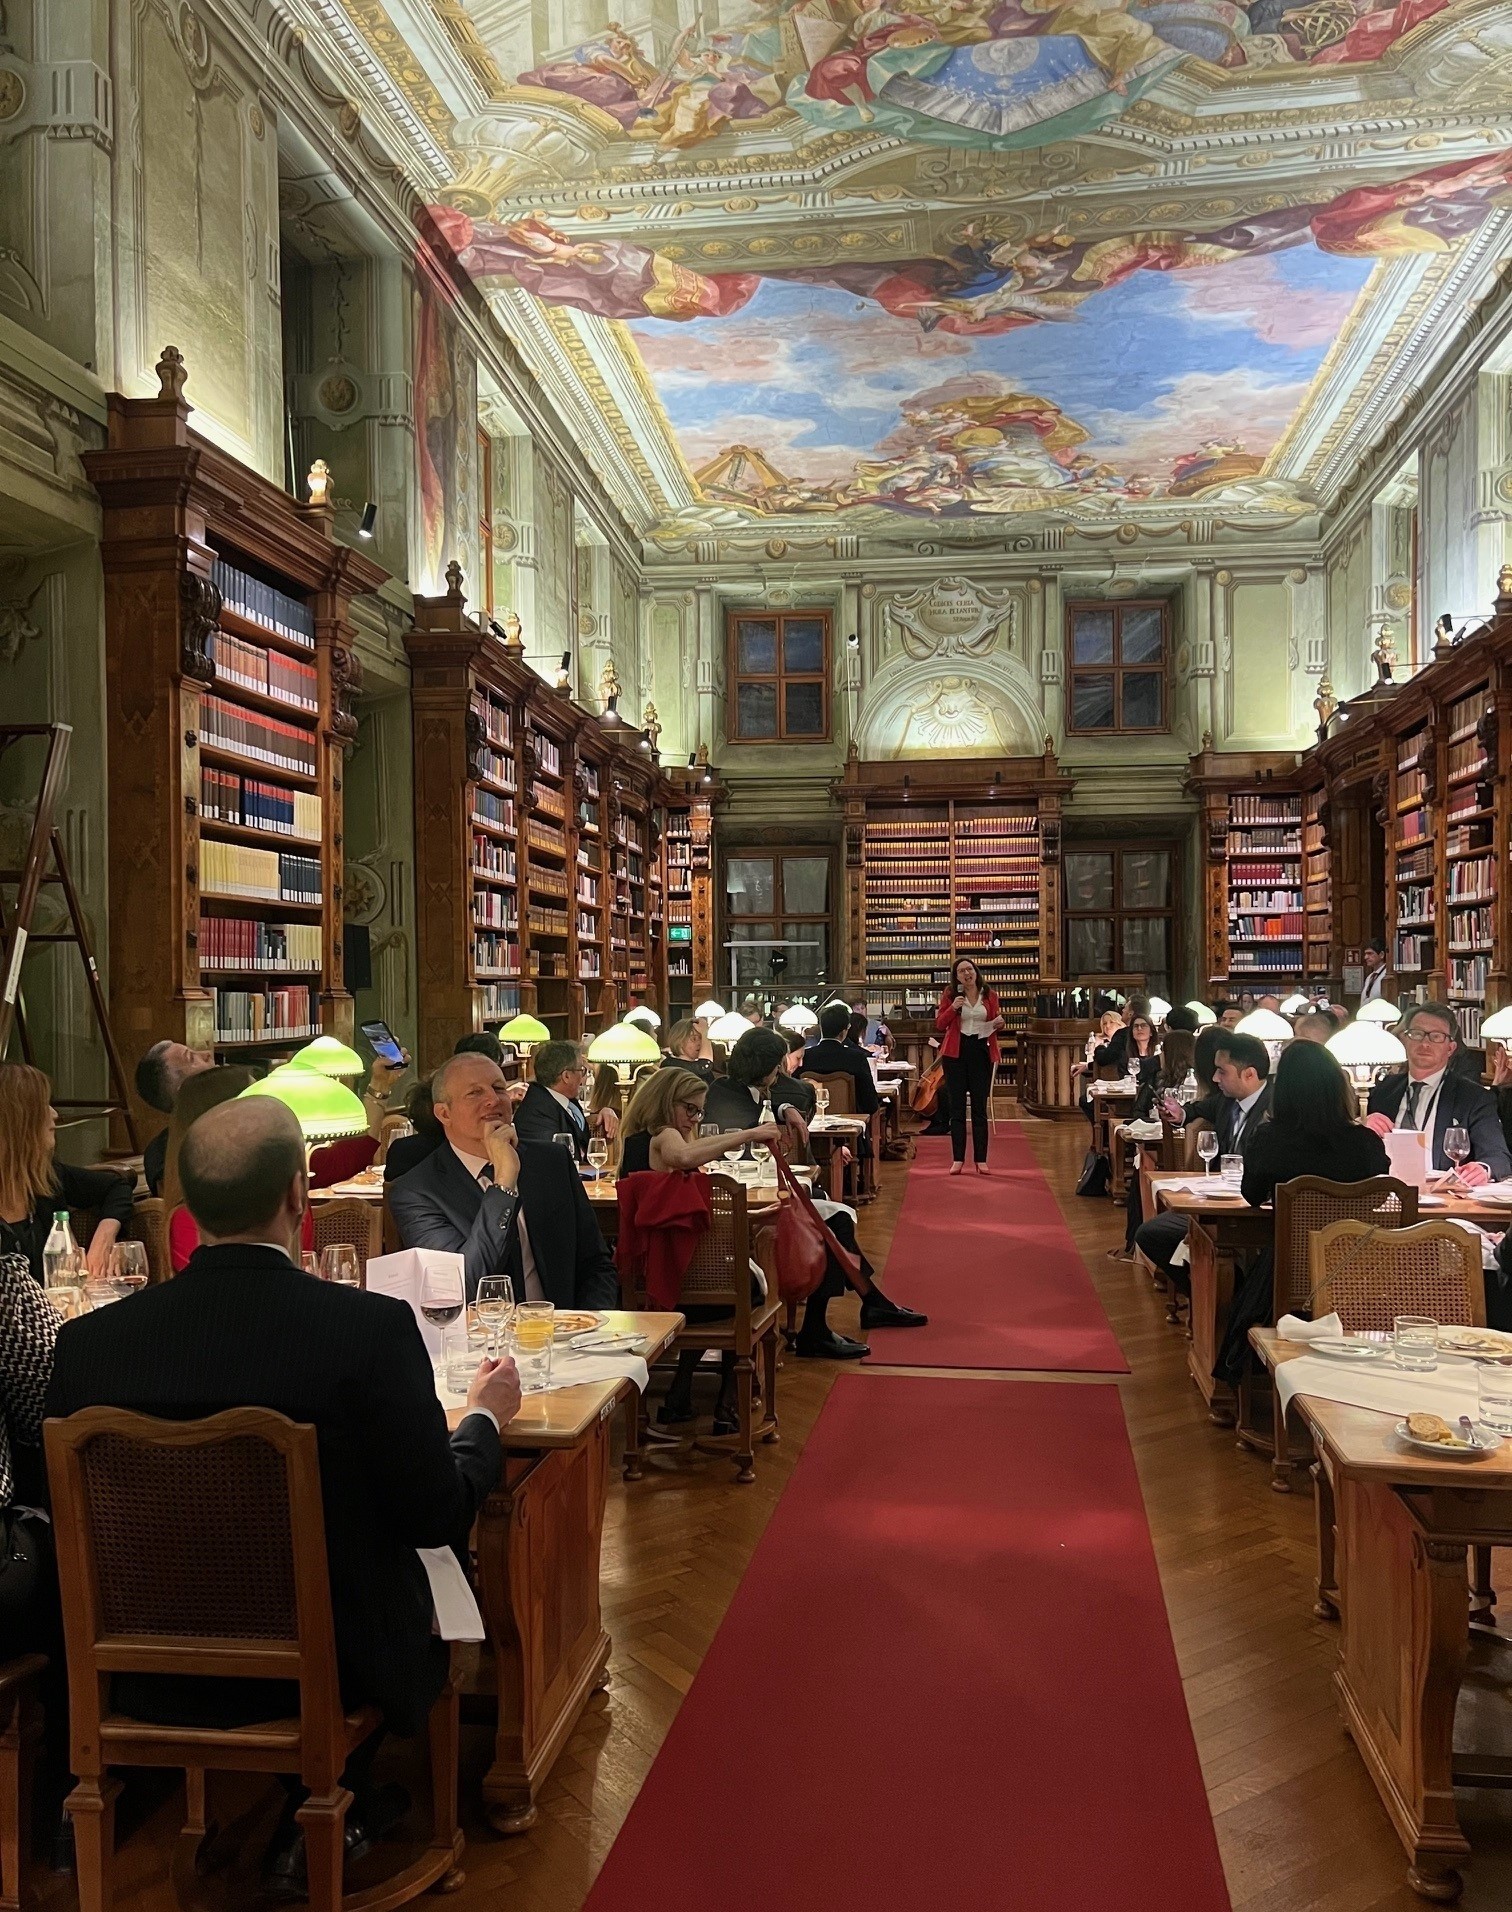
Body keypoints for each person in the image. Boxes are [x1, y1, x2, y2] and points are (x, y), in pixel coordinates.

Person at [43, 1097, 521, 1895]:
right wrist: (482, 1421)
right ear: (300, 1194)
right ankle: (342, 1803)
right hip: (336, 1661)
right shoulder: (366, 1331)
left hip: (142, 1666)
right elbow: (434, 1512)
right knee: (424, 1576)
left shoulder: (89, 1346)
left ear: (190, 1204)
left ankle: (308, 1810)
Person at [1214, 1042, 1392, 1382]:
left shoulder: (1270, 1139)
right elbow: (1380, 1195)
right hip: (1359, 1269)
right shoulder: (1366, 1143)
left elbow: (1251, 1194)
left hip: (1289, 1268)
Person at [619, 1067, 783, 1431]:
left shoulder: (632, 1143)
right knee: (747, 1287)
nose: (694, 1118)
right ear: (666, 1102)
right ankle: (728, 1400)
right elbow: (682, 1157)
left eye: (699, 1111)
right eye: (689, 1109)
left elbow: (677, 1214)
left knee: (724, 1281)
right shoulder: (664, 1137)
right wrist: (750, 1134)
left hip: (649, 1285)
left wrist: (748, 1218)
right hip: (675, 1288)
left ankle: (680, 1393)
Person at [387, 1051, 620, 1306]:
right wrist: (504, 1183)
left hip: (563, 1325)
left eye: (499, 1088)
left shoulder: (551, 1161)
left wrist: (587, 1321)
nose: (493, 1100)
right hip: (481, 1329)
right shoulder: (417, 1191)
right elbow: (462, 1288)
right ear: (444, 1114)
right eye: (475, 1093)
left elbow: (597, 1265)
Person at [1132, 1032, 1273, 1289]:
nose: (1215, 1078)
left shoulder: (1275, 1107)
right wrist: (1180, 1113)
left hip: (1255, 1206)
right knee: (1150, 1234)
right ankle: (1211, 1295)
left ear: (1249, 1074)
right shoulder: (1226, 1101)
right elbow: (1195, 1109)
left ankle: (1230, 1295)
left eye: (1222, 1071)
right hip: (1220, 1199)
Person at [0, 1063, 134, 1285]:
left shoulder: (47, 1177)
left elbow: (116, 1186)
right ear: (19, 1121)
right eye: (43, 1105)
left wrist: (104, 1236)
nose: (55, 1114)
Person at [1365, 1002, 1511, 1184]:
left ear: (1451, 1048)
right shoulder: (1383, 1090)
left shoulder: (1474, 1097)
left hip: (1443, 1194)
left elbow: (1498, 1157)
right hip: (1385, 1188)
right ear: (1405, 1040)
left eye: (1436, 1037)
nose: (1425, 1043)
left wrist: (1483, 1169)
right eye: (1417, 1034)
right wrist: (1362, 1125)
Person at [934, 958, 1002, 1175]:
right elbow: (940, 1024)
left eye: (969, 969)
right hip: (956, 1053)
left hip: (981, 1050)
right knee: (957, 1107)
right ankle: (958, 1159)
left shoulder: (989, 994)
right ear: (956, 977)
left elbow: (995, 1020)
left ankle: (981, 1159)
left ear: (975, 971)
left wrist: (1000, 1023)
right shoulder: (950, 995)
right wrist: (953, 1008)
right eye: (961, 971)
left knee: (980, 1108)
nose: (967, 974)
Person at [134, 1040, 216, 1196]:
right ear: (185, 1091)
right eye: (192, 1058)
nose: (207, 1054)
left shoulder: (239, 1120)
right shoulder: (163, 1155)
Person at [514, 1040, 596, 1159]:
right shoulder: (537, 1113)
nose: (583, 1078)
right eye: (581, 1070)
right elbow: (558, 1159)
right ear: (566, 1076)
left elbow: (580, 1130)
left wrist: (602, 1113)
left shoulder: (567, 1100)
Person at [802, 1001, 881, 1118]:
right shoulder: (857, 1058)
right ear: (844, 1031)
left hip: (811, 1122)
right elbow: (870, 1104)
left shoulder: (804, 1057)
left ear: (821, 1028)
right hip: (851, 1123)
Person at [660, 1017, 715, 1085]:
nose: (700, 1043)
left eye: (702, 1039)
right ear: (679, 1040)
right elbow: (704, 1066)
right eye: (694, 1039)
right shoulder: (670, 1065)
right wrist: (705, 1033)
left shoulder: (704, 1071)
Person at [1359, 938, 1388, 1004]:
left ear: (1381, 955)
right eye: (1365, 954)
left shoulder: (1387, 975)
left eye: (1370, 953)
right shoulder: (1370, 977)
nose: (1366, 957)